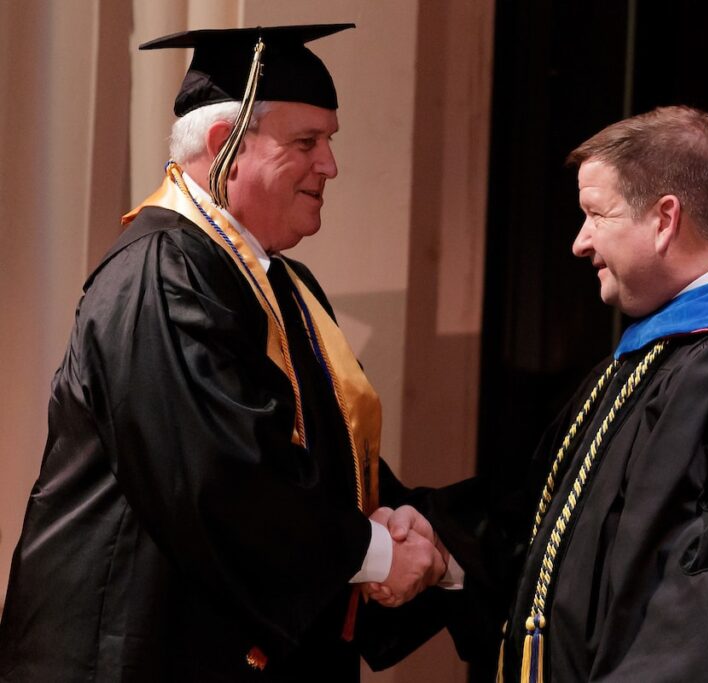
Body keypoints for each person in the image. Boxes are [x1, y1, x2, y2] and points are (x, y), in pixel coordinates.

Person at [0, 24, 461, 681]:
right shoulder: (160, 274)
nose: (330, 165)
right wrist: (375, 551)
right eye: (307, 142)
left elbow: (308, 455)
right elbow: (222, 477)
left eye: (330, 141)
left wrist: (410, 531)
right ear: (225, 146)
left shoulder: (275, 286)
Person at [425, 106, 708, 681]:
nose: (579, 242)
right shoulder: (653, 362)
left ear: (664, 218)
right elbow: (565, 551)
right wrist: (441, 548)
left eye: (596, 214)